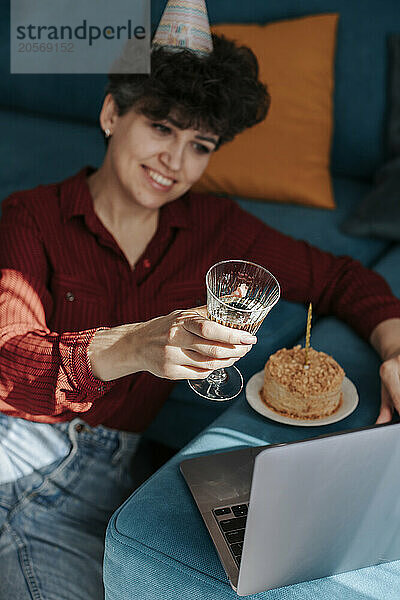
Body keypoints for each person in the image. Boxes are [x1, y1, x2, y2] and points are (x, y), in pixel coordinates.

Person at [1, 22, 400, 600]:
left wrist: (395, 351)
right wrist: (136, 345)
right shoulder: (31, 217)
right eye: (160, 127)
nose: (175, 163)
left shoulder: (214, 228)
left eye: (200, 146)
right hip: (18, 447)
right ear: (113, 113)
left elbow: (340, 277)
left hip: (108, 477)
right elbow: (8, 363)